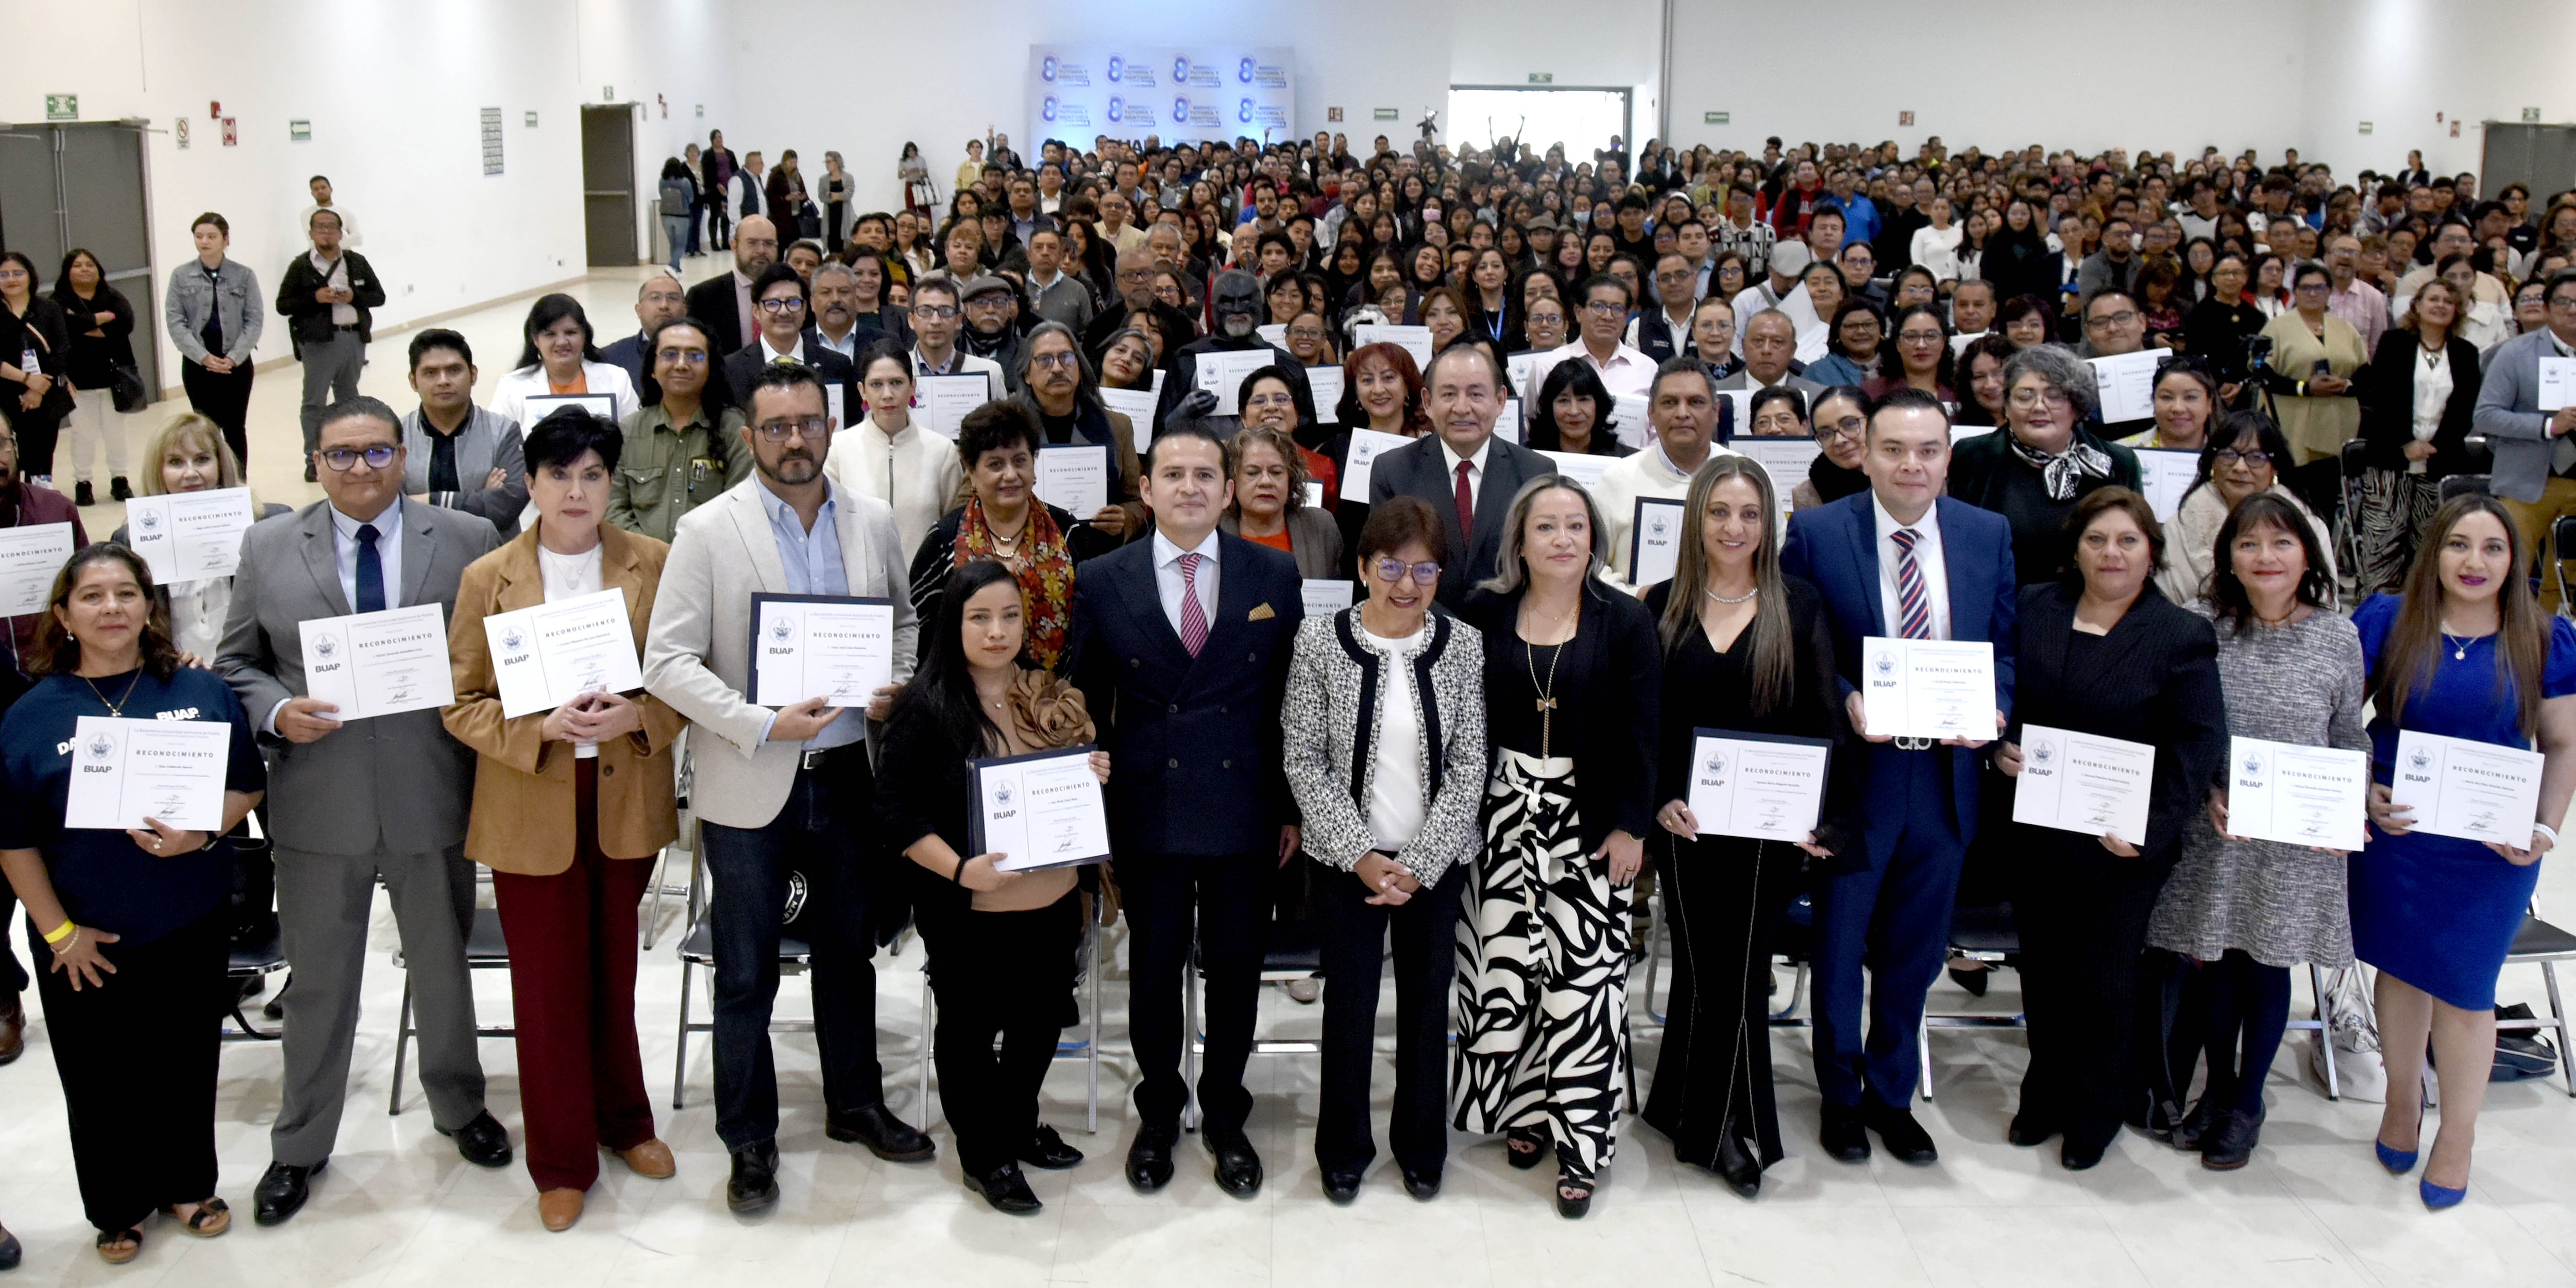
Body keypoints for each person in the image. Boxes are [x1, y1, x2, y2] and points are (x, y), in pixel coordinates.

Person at [215, 397, 511, 1225]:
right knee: (319, 985)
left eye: (377, 453)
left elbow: (493, 656)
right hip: (317, 802)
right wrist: (276, 710)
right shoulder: (269, 545)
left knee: (444, 966)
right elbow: (237, 662)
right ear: (315, 461)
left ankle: (459, 1106)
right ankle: (299, 1145)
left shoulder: (464, 542)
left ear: (403, 454)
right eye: (341, 456)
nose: (361, 470)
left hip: (433, 792)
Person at [642, 363, 930, 1213]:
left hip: (848, 775)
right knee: (745, 971)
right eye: (778, 427)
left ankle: (855, 1104)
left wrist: (895, 684)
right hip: (751, 781)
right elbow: (667, 662)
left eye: (810, 423)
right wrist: (761, 721)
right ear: (750, 436)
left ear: (829, 427)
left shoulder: (871, 521)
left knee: (850, 955)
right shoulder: (706, 531)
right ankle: (751, 1137)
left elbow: (904, 623)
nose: (797, 439)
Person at [440, 411, 681, 1230]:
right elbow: (459, 702)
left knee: (615, 974)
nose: (576, 492)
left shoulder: (653, 563)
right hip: (531, 798)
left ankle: (627, 1124)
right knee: (546, 991)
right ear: (531, 484)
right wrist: (535, 729)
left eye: (592, 476)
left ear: (611, 483)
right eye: (559, 476)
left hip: (621, 799)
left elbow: (685, 682)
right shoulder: (489, 577)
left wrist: (637, 718)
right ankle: (562, 1159)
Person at [1, 545, 264, 1262]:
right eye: (92, 596)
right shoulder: (28, 716)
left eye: (127, 592)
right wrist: (59, 935)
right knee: (98, 1077)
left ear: (150, 605)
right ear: (63, 614)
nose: (111, 608)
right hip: (81, 938)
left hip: (189, 918)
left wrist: (203, 831)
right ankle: (116, 1203)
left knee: (184, 1058)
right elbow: (13, 841)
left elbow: (247, 786)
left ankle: (188, 1182)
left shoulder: (199, 692)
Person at [1062, 422, 1305, 1198]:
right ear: (1147, 488)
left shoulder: (1274, 574)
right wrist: (1082, 775)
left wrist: (1295, 808)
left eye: (1207, 475)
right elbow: (1078, 696)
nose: (1191, 487)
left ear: (1229, 491)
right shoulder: (1103, 578)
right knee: (1154, 972)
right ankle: (1160, 1113)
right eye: (1175, 475)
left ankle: (1228, 1116)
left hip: (1245, 807)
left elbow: (1294, 703)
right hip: (1146, 807)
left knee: (1237, 973)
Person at [1781, 388, 2017, 1164]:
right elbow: (1793, 645)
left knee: (1915, 953)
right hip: (1860, 777)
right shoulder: (1818, 533)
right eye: (1893, 450)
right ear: (1866, 454)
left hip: (1948, 779)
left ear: (1949, 457)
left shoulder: (1988, 535)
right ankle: (1841, 1099)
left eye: (1927, 451)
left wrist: (1997, 710)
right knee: (1842, 947)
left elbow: (2007, 649)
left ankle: (1891, 1095)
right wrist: (1846, 699)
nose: (1910, 465)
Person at [1989, 488, 2225, 1171]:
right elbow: (2008, 701)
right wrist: (2000, 750)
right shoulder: (2036, 607)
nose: (2111, 553)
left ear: (2151, 551)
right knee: (2044, 974)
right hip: (2038, 829)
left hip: (2121, 844)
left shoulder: (2180, 633)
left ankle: (2097, 1109)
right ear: (2076, 548)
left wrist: (2151, 831)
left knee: (2106, 981)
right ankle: (2046, 1092)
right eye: (2097, 540)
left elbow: (2197, 743)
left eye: (2127, 540)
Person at [1640, 455, 1857, 1199]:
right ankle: (1680, 1104)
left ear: (1770, 524)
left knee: (1737, 975)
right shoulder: (1661, 605)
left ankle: (1729, 1128)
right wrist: (1660, 798)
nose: (1735, 528)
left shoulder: (1797, 606)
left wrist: (1820, 821)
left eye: (1750, 514)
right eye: (1720, 512)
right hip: (1689, 830)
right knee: (1703, 970)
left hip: (1769, 834)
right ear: (1696, 520)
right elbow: (1649, 727)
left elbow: (1825, 721)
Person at [2352, 494, 2576, 1209]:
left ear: (2515, 560)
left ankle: (2460, 1136)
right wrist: (2361, 787)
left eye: (2493, 548)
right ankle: (2400, 1099)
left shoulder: (2544, 637)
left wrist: (2546, 830)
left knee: (2465, 990)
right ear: (2434, 554)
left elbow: (2565, 743)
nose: (2474, 562)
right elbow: (2336, 721)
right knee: (2401, 971)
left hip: (2491, 849)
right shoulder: (2387, 621)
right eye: (2458, 545)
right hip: (2401, 834)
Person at [1453, 476, 1660, 1218]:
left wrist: (1631, 825)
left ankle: (1581, 1141)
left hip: (1591, 817)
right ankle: (1524, 1111)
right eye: (1547, 527)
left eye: (1577, 526)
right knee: (1505, 971)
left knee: (1582, 987)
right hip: (1501, 816)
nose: (1564, 539)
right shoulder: (1482, 609)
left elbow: (1645, 731)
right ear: (1520, 540)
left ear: (1595, 540)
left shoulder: (1625, 618)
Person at [874, 561, 1106, 1214]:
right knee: (970, 1034)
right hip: (969, 908)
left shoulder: (1046, 690)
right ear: (954, 622)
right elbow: (895, 812)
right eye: (980, 617)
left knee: (1038, 1026)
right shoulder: (924, 706)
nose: (997, 631)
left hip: (1053, 902)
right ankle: (983, 1153)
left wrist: (1092, 769)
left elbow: (1069, 778)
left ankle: (1016, 1123)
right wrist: (957, 868)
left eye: (1009, 616)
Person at [2146, 493, 2366, 1169]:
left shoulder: (2339, 634)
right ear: (2228, 559)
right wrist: (2210, 787)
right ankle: (2215, 1089)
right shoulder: (2198, 625)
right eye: (2249, 545)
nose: (2265, 558)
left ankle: (2246, 1101)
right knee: (2215, 960)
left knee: (2270, 963)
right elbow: (2178, 723)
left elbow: (2349, 735)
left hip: (2298, 836)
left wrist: (2345, 809)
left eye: (2281, 543)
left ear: (2308, 555)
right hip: (2219, 827)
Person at [1278, 496, 1486, 1204]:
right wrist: (1363, 855)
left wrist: (1422, 865)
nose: (1407, 584)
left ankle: (1421, 1146)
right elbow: (1303, 759)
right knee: (1351, 1008)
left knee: (1430, 1009)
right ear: (1363, 566)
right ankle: (1344, 1147)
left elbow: (1471, 764)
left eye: (1425, 569)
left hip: (1434, 862)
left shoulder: (1462, 645)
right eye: (1392, 566)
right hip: (1347, 865)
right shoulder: (1319, 641)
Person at [907, 399, 1115, 669]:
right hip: (964, 700)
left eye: (1020, 461)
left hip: (1055, 699)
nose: (1011, 475)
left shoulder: (1067, 530)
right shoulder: (943, 539)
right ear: (971, 472)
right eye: (995, 465)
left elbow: (1093, 625)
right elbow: (918, 630)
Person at [1367, 345, 1553, 609]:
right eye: (1449, 394)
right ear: (1428, 402)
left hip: (1512, 632)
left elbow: (1542, 569)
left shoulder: (1536, 472)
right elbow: (1388, 568)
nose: (1462, 408)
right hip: (1424, 630)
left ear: (1501, 400)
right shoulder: (1393, 470)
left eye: (1476, 394)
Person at [1949, 344, 2144, 585]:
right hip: (2002, 603)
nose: (2039, 407)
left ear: (2077, 406)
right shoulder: (1972, 456)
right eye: (2025, 396)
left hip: (2090, 604)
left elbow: (2135, 548)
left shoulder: (2117, 462)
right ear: (2007, 406)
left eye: (2054, 396)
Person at [2352, 280, 2484, 599]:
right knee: (2384, 541)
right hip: (2390, 456)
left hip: (2441, 459)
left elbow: (2467, 407)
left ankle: (2418, 614)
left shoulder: (2466, 352)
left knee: (2428, 543)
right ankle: (2377, 612)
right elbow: (2381, 398)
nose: (2440, 305)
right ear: (2418, 306)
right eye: (2433, 299)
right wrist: (2406, 442)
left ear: (2457, 311)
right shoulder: (2394, 342)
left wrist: (2434, 445)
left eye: (2448, 301)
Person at [2156, 411, 2337, 606]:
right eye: (2228, 455)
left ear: (2275, 467)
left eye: (2256, 457)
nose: (2240, 468)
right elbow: (2167, 603)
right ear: (2212, 461)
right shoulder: (2179, 527)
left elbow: (2324, 601)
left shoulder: (2308, 525)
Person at [1596, 358, 1744, 591]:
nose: (1682, 413)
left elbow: (1772, 561)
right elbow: (1592, 563)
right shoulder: (1618, 479)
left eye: (1696, 402)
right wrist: (1634, 598)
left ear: (1716, 412)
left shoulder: (1748, 478)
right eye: (1670, 403)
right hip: (1639, 619)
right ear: (1652, 413)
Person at [2475, 269, 2576, 612]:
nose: (2573, 309)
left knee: (2567, 586)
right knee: (2509, 576)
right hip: (2526, 482)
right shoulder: (2514, 353)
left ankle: (2556, 653)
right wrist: (2548, 426)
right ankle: (2504, 650)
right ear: (2546, 308)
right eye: (2564, 301)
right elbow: (2486, 416)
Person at [609, 317, 750, 544]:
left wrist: (689, 559)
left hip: (712, 565)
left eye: (695, 356)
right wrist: (653, 555)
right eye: (670, 354)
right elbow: (613, 508)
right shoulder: (629, 431)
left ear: (710, 368)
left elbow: (741, 508)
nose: (682, 364)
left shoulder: (735, 430)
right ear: (653, 368)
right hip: (641, 565)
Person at [820, 341, 964, 559]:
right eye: (876, 385)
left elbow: (953, 528)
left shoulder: (942, 451)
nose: (887, 394)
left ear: (913, 386)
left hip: (923, 585)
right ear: (862, 391)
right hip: (858, 585)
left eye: (897, 382)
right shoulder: (838, 449)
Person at [1008, 321, 1145, 538]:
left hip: (1097, 552)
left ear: (1080, 366)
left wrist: (1124, 518)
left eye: (1067, 358)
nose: (1057, 368)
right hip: (1024, 547)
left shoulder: (1118, 426)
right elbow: (970, 497)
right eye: (1045, 360)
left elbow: (1137, 500)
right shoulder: (1005, 426)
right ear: (1027, 374)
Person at [276, 209, 386, 471]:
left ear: (341, 233)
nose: (326, 232)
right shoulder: (301, 266)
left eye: (332, 227)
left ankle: (347, 451)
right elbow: (283, 305)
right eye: (320, 227)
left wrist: (354, 297)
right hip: (318, 343)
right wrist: (316, 298)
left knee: (349, 399)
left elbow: (378, 297)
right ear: (312, 233)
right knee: (314, 402)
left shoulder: (356, 262)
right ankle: (313, 458)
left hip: (353, 338)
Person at [400, 330, 528, 540]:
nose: (443, 381)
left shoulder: (504, 432)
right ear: (413, 381)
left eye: (454, 370)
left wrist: (428, 501)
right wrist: (481, 498)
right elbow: (388, 510)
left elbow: (505, 508)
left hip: (493, 558)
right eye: (431, 373)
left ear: (473, 375)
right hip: (421, 561)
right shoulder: (397, 436)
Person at [163, 213, 262, 469]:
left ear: (226, 239)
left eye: (212, 236)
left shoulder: (244, 275)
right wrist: (203, 357)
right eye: (199, 236)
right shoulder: (181, 276)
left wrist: (234, 358)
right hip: (199, 364)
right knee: (205, 428)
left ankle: (239, 484)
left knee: (235, 427)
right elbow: (175, 322)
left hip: (236, 364)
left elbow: (254, 320)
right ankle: (210, 480)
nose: (205, 242)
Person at [48, 249, 138, 506]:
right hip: (78, 380)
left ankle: (120, 479)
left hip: (114, 378)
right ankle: (83, 482)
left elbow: (126, 325)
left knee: (116, 433)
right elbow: (65, 330)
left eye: (90, 264)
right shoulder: (58, 301)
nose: (85, 269)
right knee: (83, 434)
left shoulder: (112, 296)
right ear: (68, 272)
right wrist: (100, 320)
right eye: (78, 265)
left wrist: (83, 325)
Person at [492, 295, 641, 430]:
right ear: (536, 340)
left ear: (584, 335)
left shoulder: (616, 379)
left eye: (571, 333)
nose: (562, 342)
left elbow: (635, 434)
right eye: (550, 334)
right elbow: (497, 441)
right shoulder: (511, 387)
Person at [1221, 419, 1342, 578]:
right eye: (1253, 473)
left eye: (1276, 472)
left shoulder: (1320, 526)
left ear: (1291, 479)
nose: (1266, 481)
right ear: (1233, 481)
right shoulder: (1212, 530)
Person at [0, 253, 74, 491]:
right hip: (6, 396)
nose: (11, 279)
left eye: (18, 273)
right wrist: (26, 380)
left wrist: (38, 388)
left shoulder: (48, 308)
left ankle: (40, 507)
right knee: (7, 457)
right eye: (4, 274)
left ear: (30, 276)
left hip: (47, 395)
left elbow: (62, 350)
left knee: (41, 459)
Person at [1527, 273, 1656, 406]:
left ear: (1626, 317)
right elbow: (1531, 422)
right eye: (1599, 306)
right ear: (1579, 312)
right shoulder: (1547, 366)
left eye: (1617, 308)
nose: (1608, 316)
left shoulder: (1647, 369)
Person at [684, 213, 779, 358]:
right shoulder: (703, 296)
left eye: (769, 243)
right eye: (752, 242)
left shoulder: (794, 292)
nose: (761, 250)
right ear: (734, 246)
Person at [600, 274, 687, 392]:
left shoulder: (707, 356)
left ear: (685, 310)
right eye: (655, 298)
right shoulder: (610, 359)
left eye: (673, 298)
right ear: (639, 310)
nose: (664, 305)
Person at [1524, 360, 1631, 457]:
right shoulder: (1529, 459)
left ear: (1599, 404)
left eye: (1583, 400)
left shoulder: (1626, 461)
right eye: (1563, 401)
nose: (1574, 412)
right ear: (1549, 407)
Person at [2114, 361, 2221, 451]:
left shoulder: (2226, 455)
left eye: (2190, 397)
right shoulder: (2120, 453)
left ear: (2209, 404)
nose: (2178, 408)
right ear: (2154, 401)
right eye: (2167, 397)